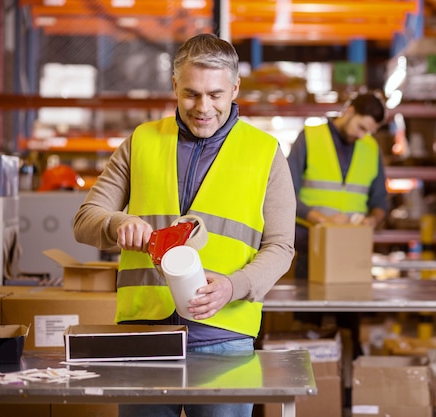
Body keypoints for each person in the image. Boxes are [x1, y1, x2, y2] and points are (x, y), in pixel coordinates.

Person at [73, 33, 296, 417]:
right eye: (191, 93)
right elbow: (84, 221)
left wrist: (233, 286)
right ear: (174, 85)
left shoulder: (265, 153)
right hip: (145, 335)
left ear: (235, 88)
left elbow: (280, 247)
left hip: (224, 336)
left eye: (215, 95)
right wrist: (116, 223)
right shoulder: (141, 141)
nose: (203, 107)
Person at [286, 91, 388, 358]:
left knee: (349, 333)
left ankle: (345, 392)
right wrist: (323, 220)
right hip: (311, 248)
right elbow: (285, 194)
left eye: (370, 131)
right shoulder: (310, 138)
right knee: (308, 328)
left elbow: (380, 202)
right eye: (362, 127)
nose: (364, 135)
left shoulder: (371, 148)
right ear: (349, 112)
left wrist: (371, 220)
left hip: (351, 254)